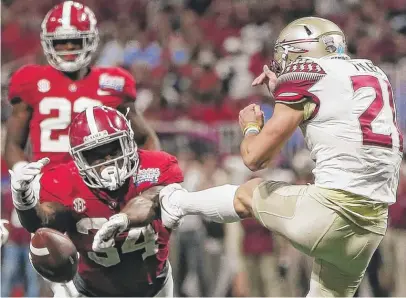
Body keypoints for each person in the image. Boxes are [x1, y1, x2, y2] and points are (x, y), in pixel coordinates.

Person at [93, 17, 404, 297]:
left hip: (331, 212)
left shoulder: (308, 74)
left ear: (304, 51)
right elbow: (333, 111)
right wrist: (282, 95)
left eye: (290, 55)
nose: (285, 65)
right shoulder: (373, 72)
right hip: (373, 225)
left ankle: (175, 204)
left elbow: (254, 158)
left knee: (248, 192)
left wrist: (252, 127)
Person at [9, 106, 182, 297]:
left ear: (128, 142)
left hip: (155, 288)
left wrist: (124, 218)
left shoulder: (155, 166)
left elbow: (152, 200)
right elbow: (40, 223)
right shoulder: (64, 180)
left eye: (114, 149)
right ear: (79, 158)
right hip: (91, 292)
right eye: (95, 155)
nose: (107, 162)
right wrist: (24, 200)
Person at [5, 1, 160, 176]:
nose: (69, 47)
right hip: (47, 184)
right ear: (48, 42)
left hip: (100, 184)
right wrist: (23, 174)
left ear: (91, 39)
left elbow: (146, 138)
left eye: (76, 40)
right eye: (61, 41)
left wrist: (144, 174)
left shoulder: (113, 82)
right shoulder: (29, 80)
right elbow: (13, 143)